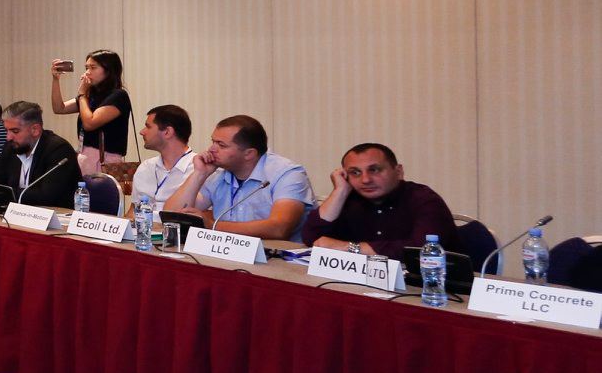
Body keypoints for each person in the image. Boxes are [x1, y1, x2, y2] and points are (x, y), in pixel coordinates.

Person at [163, 115, 314, 239]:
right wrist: (199, 174)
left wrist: (212, 225)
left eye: (221, 145)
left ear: (249, 154)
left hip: (280, 259)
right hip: (230, 254)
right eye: (213, 142)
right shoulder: (219, 175)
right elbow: (173, 216)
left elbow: (279, 228)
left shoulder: (288, 174)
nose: (211, 149)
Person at [300, 143, 458, 258]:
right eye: (355, 173)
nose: (366, 180)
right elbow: (312, 238)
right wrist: (339, 191)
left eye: (374, 170)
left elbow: (422, 251)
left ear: (398, 171)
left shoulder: (424, 199)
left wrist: (349, 248)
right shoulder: (347, 198)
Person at [50, 51, 131, 175]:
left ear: (108, 70)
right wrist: (55, 80)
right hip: (85, 156)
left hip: (105, 160)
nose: (88, 72)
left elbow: (89, 123)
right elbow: (59, 108)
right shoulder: (91, 95)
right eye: (86, 68)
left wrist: (82, 95)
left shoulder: (118, 95)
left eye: (93, 68)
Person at [0, 101, 80, 209]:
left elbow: (46, 196)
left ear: (35, 130)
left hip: (55, 215)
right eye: (6, 130)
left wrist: (1, 194)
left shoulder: (59, 150)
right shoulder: (11, 147)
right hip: (18, 213)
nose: (8, 137)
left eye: (15, 131)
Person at [131, 105, 196, 207]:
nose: (142, 132)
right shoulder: (146, 167)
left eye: (148, 127)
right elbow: (134, 211)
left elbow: (209, 214)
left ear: (167, 132)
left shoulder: (199, 170)